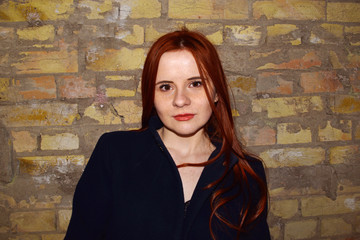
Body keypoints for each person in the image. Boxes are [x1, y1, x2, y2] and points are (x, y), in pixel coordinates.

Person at [64, 29, 270, 240]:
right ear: (151, 96)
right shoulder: (114, 154)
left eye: (195, 84)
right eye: (165, 87)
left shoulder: (246, 174)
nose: (180, 100)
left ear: (217, 91)